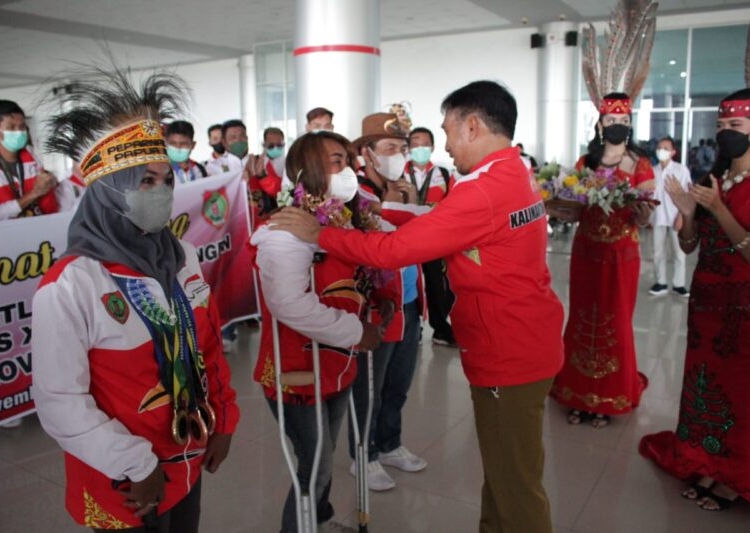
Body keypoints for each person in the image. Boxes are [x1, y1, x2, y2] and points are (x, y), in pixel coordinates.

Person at [271, 80, 564, 533]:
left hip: (507, 349)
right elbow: (438, 223)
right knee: (505, 476)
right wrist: (382, 213)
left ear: (472, 126)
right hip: (525, 337)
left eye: (447, 132)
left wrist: (320, 234)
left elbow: (395, 252)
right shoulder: (514, 172)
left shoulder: (481, 190)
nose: (443, 147)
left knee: (517, 486)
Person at [31, 70, 239, 532]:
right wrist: (135, 464)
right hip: (124, 479)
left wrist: (224, 417)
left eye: (166, 179)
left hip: (187, 453)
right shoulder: (71, 284)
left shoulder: (179, 254)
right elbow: (58, 400)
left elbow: (206, 344)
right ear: (107, 189)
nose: (162, 193)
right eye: (144, 181)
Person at [251, 131, 386, 533]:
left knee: (323, 461)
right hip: (299, 370)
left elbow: (386, 246)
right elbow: (289, 304)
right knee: (316, 466)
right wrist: (354, 331)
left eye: (346, 159)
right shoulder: (286, 230)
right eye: (333, 160)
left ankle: (321, 519)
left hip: (337, 364)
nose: (345, 168)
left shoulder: (348, 217)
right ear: (303, 170)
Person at [639, 88, 750, 511]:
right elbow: (689, 247)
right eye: (721, 126)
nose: (725, 134)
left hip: (743, 307)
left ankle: (734, 476)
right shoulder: (712, 180)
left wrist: (719, 209)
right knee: (704, 385)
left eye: (735, 126)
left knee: (739, 391)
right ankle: (706, 460)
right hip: (706, 304)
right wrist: (688, 210)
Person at [548, 93, 655, 429]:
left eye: (623, 122)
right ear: (599, 124)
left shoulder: (640, 165)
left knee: (616, 321)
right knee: (581, 318)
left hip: (621, 255)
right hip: (586, 253)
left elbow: (647, 218)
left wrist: (641, 214)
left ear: (630, 124)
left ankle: (610, 397)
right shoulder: (585, 163)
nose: (617, 127)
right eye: (611, 121)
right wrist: (551, 204)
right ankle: (577, 393)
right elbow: (577, 210)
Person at [344, 116, 427, 492]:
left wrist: (409, 206)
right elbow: (366, 251)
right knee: (369, 387)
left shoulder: (405, 188)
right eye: (389, 149)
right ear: (367, 154)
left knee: (399, 381)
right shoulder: (353, 194)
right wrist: (390, 209)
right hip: (377, 305)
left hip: (408, 298)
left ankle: (390, 443)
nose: (399, 156)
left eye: (402, 148)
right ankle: (364, 454)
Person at [406, 126, 456, 347]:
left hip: (434, 239)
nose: (420, 149)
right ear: (408, 148)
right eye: (415, 145)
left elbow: (453, 204)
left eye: (424, 145)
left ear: (433, 147)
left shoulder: (443, 174)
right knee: (409, 283)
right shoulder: (399, 174)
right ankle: (413, 326)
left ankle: (440, 327)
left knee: (437, 283)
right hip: (405, 238)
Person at [0, 99, 60, 220]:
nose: (18, 132)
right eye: (11, 127)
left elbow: (51, 204)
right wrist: (35, 193)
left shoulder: (31, 159)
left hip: (35, 230)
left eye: (22, 127)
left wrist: (51, 184)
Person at [649, 136, 691, 297]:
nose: (661, 151)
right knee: (658, 251)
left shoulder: (681, 170)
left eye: (665, 148)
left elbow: (687, 194)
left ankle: (679, 284)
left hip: (675, 217)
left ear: (673, 152)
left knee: (679, 252)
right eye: (659, 148)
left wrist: (681, 216)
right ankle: (661, 282)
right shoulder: (653, 171)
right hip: (658, 217)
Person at [247, 126, 286, 220]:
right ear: (264, 145)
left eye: (279, 145)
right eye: (271, 145)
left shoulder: (290, 162)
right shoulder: (255, 162)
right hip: (263, 214)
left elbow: (285, 193)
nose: (275, 148)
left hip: (284, 212)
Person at [165, 120, 207, 185]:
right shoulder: (160, 170)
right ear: (166, 143)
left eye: (183, 144)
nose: (178, 148)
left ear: (193, 145)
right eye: (173, 143)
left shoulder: (200, 169)